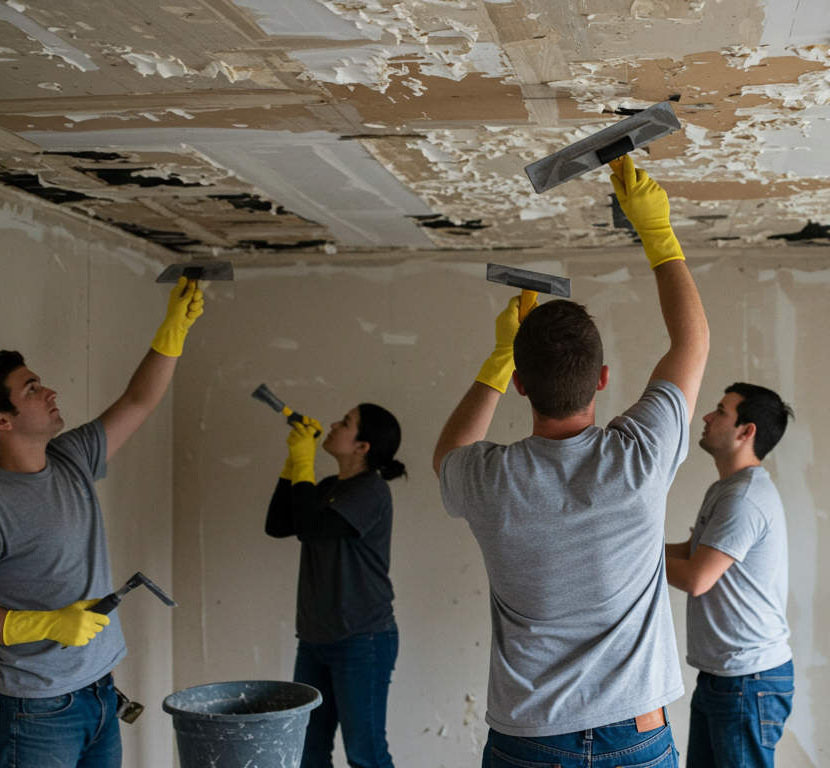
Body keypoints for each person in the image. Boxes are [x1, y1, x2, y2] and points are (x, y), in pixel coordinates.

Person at [433, 154, 709, 768]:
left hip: (528, 740)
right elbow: (691, 343)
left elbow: (447, 452)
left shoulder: (489, 479)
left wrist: (498, 361)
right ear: (604, 379)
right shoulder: (640, 456)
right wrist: (657, 233)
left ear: (523, 387)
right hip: (635, 734)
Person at [0, 277, 205, 768]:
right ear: (1, 420)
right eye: (32, 388)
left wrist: (171, 333)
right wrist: (48, 623)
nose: (50, 391)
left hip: (99, 694)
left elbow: (138, 402)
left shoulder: (71, 457)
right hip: (34, 712)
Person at [264, 402, 407, 768]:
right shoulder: (328, 486)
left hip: (362, 640)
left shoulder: (370, 491)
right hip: (314, 641)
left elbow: (311, 529)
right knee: (308, 753)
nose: (333, 424)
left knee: (366, 754)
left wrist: (304, 462)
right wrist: (292, 465)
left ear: (363, 447)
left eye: (345, 423)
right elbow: (279, 524)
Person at [665, 383, 795, 768]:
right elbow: (691, 555)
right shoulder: (726, 490)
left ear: (746, 431)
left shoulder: (744, 498)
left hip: (747, 681)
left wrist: (627, 560)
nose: (706, 417)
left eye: (720, 411)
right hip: (725, 677)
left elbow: (695, 578)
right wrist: (625, 545)